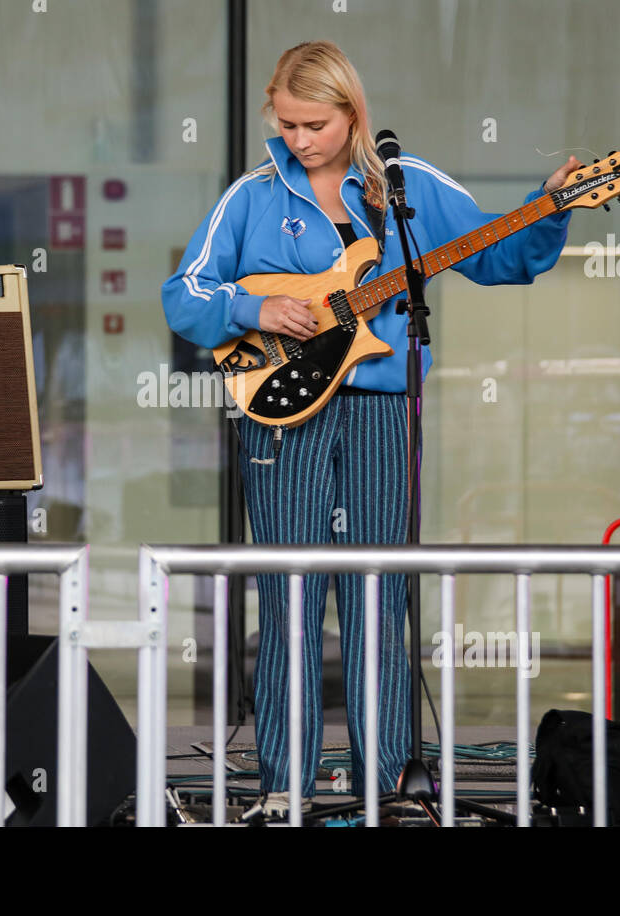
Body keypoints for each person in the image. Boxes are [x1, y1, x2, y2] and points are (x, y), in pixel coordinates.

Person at [161, 40, 576, 820]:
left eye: (313, 123)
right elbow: (183, 295)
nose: (297, 138)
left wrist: (547, 207)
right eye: (285, 123)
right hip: (281, 411)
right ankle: (285, 786)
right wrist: (252, 310)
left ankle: (383, 782)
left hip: (384, 406)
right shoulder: (251, 196)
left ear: (352, 113)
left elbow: (499, 256)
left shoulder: (404, 187)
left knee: (381, 592)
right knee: (289, 594)